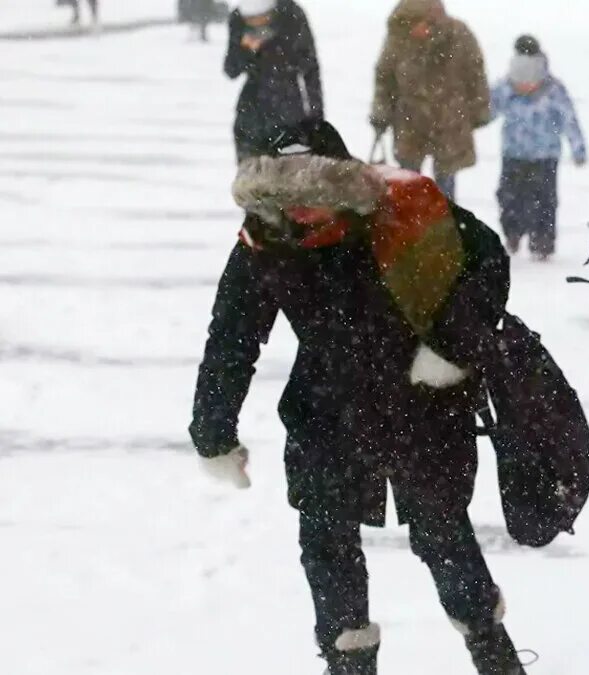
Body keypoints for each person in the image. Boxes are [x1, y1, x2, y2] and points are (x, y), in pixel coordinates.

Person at [190, 119, 528, 674]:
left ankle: (494, 655)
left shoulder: (403, 214)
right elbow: (232, 336)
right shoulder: (265, 241)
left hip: (422, 405)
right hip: (326, 409)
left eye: (314, 194)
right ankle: (348, 663)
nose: (301, 210)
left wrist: (448, 349)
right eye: (287, 196)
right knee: (326, 542)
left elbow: (487, 266)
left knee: (443, 536)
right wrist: (212, 429)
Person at [371, 0, 489, 200]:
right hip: (410, 121)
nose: (413, 31)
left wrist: (479, 110)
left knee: (446, 183)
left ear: (431, 21)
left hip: (450, 120)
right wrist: (381, 111)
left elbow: (476, 75)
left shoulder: (458, 34)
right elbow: (385, 78)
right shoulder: (398, 38)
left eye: (416, 24)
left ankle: (445, 216)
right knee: (408, 182)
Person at [489, 35, 586, 260]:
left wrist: (578, 147)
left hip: (545, 156)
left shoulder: (553, 90)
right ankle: (513, 232)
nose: (525, 85)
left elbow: (569, 119)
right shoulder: (504, 88)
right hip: (513, 153)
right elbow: (487, 111)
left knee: (544, 200)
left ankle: (542, 239)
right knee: (509, 196)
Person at [224, 0, 323, 162]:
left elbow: (310, 70)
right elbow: (231, 70)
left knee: (289, 170)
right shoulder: (237, 18)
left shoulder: (292, 15)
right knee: (251, 173)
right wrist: (247, 50)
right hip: (251, 112)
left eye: (262, 19)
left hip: (289, 109)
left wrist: (317, 121)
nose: (256, 23)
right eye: (250, 20)